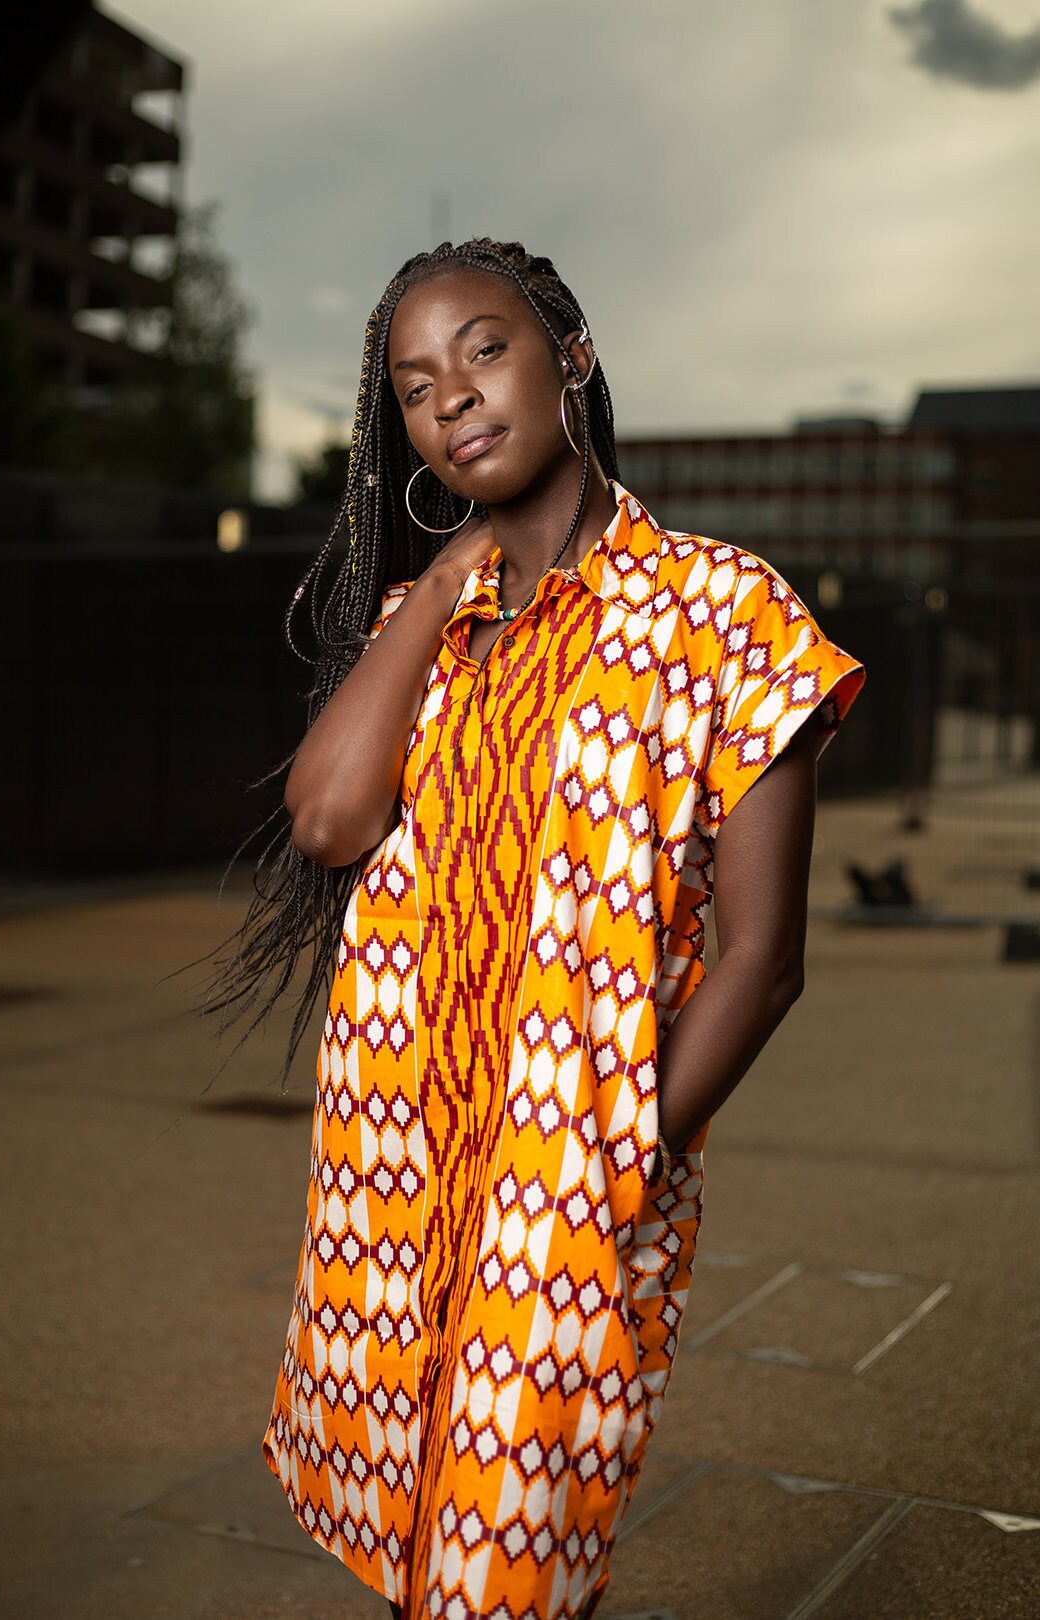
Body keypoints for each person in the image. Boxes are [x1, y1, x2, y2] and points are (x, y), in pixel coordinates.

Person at [213, 238, 865, 1620]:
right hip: (393, 1167)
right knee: (402, 1542)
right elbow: (328, 822)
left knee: (504, 1566)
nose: (452, 396)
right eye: (415, 384)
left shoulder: (723, 610)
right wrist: (443, 589)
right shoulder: (421, 621)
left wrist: (620, 1168)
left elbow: (765, 957)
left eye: (487, 349)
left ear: (572, 355)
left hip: (573, 1183)